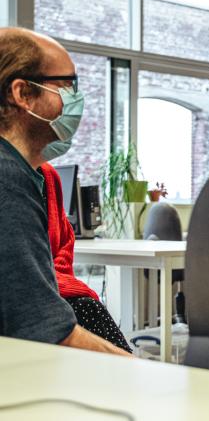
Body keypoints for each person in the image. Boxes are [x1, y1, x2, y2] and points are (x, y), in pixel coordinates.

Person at [0, 27, 129, 356]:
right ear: (22, 93)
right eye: (66, 85)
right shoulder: (7, 176)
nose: (75, 98)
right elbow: (43, 327)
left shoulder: (21, 171)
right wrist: (148, 373)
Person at [42, 163, 132, 352]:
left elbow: (62, 240)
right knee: (89, 308)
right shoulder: (16, 180)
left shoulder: (48, 176)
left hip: (49, 286)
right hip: (33, 295)